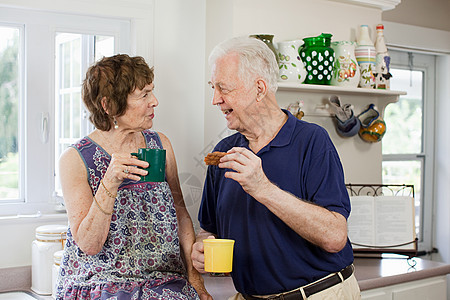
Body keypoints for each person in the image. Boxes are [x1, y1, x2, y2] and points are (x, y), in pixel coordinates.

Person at [191, 37, 361, 300]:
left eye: (223, 88)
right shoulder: (224, 152)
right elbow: (208, 229)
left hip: (318, 294)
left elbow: (335, 236)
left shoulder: (313, 141)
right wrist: (201, 248)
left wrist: (263, 188)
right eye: (214, 88)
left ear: (259, 88)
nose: (215, 99)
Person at [56, 54, 211, 300]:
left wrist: (195, 280)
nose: (155, 102)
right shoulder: (75, 159)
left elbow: (180, 213)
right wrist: (110, 181)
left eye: (152, 92)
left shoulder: (161, 145)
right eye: (144, 95)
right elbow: (89, 244)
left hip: (163, 281)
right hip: (100, 282)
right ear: (109, 106)